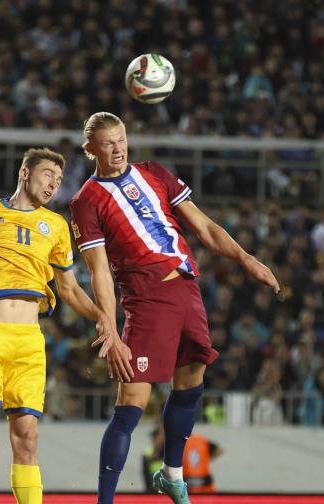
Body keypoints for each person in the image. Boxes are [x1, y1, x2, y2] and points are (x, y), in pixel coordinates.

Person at [69, 112, 279, 503]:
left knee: (191, 384)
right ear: (90, 149)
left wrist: (248, 259)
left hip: (187, 289)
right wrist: (110, 329)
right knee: (132, 403)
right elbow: (99, 272)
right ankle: (104, 500)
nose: (117, 149)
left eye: (121, 140)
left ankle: (172, 474)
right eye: (108, 143)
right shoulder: (86, 202)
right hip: (147, 300)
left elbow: (204, 227)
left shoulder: (155, 173)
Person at [0, 147, 115, 504]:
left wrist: (102, 316)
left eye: (59, 181)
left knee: (28, 437)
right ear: (25, 173)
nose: (54, 185)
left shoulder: (57, 227)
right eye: (48, 175)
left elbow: (70, 288)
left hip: (28, 341)